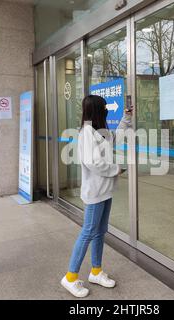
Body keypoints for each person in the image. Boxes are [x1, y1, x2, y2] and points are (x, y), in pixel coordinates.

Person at [61, 95, 132, 298]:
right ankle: (70, 277)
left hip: (105, 191)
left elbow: (115, 136)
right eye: (104, 108)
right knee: (88, 232)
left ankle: (96, 271)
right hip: (94, 193)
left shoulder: (99, 132)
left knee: (100, 231)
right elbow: (94, 163)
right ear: (97, 111)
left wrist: (126, 118)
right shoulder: (86, 134)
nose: (107, 111)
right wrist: (116, 169)